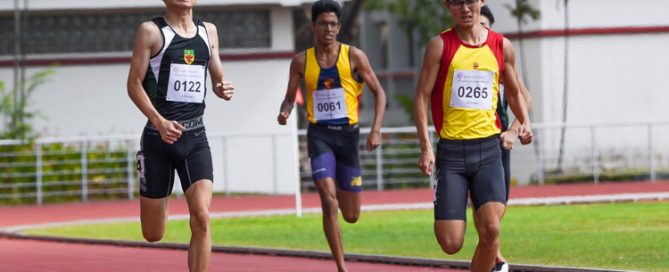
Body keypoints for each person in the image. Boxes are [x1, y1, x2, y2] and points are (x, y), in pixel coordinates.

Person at [413, 0, 533, 271]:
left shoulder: (501, 45)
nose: (465, 8)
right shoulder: (440, 46)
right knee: (450, 242)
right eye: (457, 3)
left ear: (481, 2)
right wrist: (425, 147)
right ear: (447, 6)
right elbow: (420, 97)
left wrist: (523, 122)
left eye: (469, 1)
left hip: (488, 150)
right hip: (452, 152)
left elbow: (515, 93)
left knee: (491, 230)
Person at [277, 1, 386, 271]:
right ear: (313, 26)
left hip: (348, 137)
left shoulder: (354, 57)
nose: (329, 29)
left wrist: (375, 129)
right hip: (319, 135)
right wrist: (284, 112)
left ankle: (339, 186)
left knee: (351, 214)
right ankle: (341, 266)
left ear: (339, 27)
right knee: (328, 200)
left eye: (333, 24)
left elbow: (380, 93)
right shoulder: (301, 61)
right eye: (323, 24)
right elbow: (289, 99)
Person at [126, 0, 234, 271]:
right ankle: (161, 197)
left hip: (195, 137)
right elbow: (133, 84)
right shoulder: (151, 32)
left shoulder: (208, 31)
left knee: (202, 217)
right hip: (158, 138)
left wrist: (222, 86)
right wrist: (159, 121)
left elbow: (217, 73)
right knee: (153, 233)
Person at [474, 5, 534, 272]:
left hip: (498, 141)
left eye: (485, 24)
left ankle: (491, 249)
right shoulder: (460, 56)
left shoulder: (499, 55)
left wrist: (512, 131)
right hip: (468, 141)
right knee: (477, 203)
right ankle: (494, 255)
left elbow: (526, 99)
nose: (481, 28)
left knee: (498, 205)